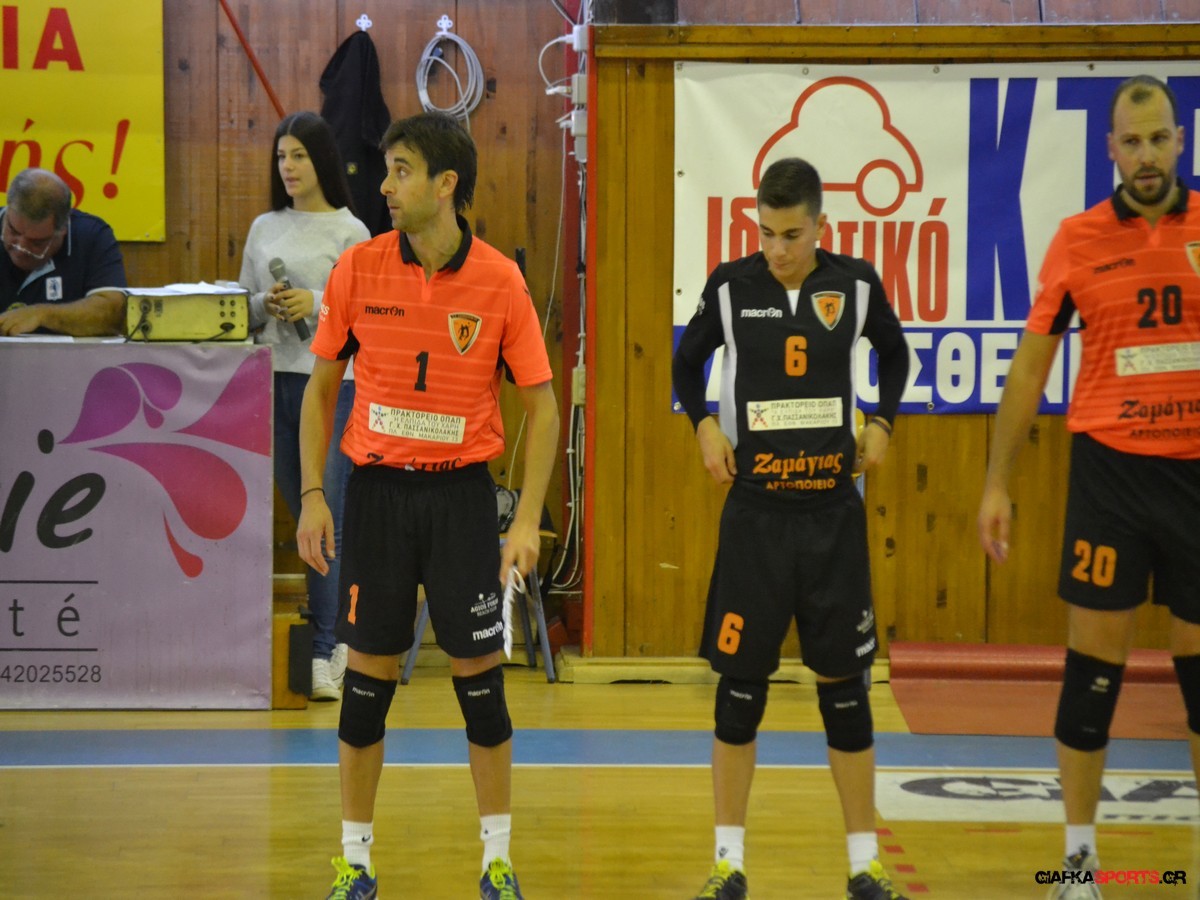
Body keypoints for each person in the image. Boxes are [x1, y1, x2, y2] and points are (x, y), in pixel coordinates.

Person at [296, 112, 558, 900]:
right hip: (376, 496)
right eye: (386, 169)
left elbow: (544, 409)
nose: (385, 185)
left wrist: (525, 520)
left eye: (401, 170)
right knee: (365, 684)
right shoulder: (358, 268)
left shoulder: (500, 282)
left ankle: (497, 861)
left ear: (447, 184)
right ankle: (355, 861)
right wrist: (312, 496)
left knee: (481, 684)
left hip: (460, 499)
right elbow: (319, 392)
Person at [977, 74, 1200, 900]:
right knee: (1092, 676)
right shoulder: (1077, 240)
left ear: (1180, 140)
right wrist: (996, 483)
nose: (1146, 155)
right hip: (1111, 477)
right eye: (1131, 142)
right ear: (1109, 149)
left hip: (1196, 478)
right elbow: (1029, 370)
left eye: (1159, 138)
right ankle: (1077, 866)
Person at [672, 157, 911, 900]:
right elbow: (685, 364)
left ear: (820, 226)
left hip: (832, 518)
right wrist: (703, 425)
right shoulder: (731, 287)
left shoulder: (855, 284)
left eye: (792, 235)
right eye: (767, 233)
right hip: (757, 520)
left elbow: (896, 354)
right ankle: (728, 863)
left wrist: (882, 422)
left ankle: (865, 863)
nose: (777, 249)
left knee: (846, 693)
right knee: (740, 692)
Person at [238, 111, 370, 701]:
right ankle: (334, 637)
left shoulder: (351, 231)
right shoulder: (263, 227)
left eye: (298, 155)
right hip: (273, 384)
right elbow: (242, 308)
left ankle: (328, 650)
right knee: (303, 514)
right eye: (280, 157)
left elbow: (362, 313)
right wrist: (265, 303)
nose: (287, 167)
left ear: (321, 160)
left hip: (334, 387)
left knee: (326, 516)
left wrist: (313, 301)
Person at [0, 167, 126, 336]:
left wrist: (43, 315)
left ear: (63, 230)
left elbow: (113, 313)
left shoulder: (91, 236)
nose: (20, 248)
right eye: (13, 231)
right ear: (7, 211)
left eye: (36, 242)